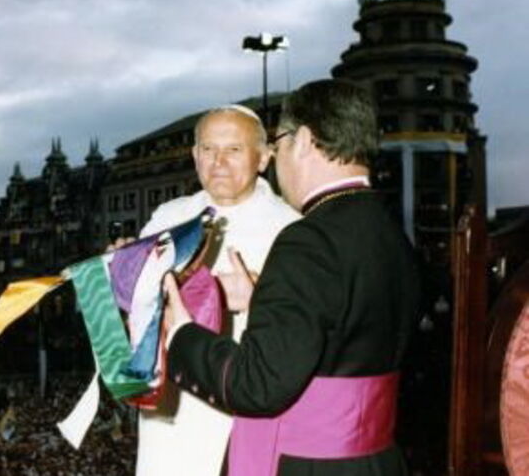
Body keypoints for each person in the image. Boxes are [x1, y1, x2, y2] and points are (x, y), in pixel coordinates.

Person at [164, 80, 420, 476]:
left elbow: (257, 386)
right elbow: (345, 324)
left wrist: (181, 333)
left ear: (301, 140)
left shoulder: (309, 239)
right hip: (378, 460)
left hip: (312, 464)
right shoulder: (390, 231)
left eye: (278, 143)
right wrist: (263, 298)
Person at [135, 105, 300, 476]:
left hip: (241, 405)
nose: (218, 162)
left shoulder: (292, 228)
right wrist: (122, 273)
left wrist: (261, 298)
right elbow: (135, 313)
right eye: (208, 149)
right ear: (195, 156)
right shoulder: (167, 217)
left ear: (263, 158)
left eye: (234, 150)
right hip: (170, 414)